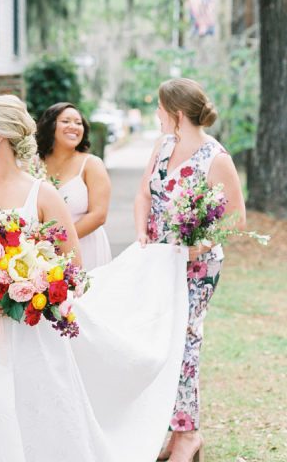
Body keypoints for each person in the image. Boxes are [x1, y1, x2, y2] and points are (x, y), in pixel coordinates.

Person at [0, 95, 192, 462]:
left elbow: (72, 264)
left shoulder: (42, 193)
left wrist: (29, 289)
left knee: (31, 411)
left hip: (28, 328)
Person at [134, 78, 246, 462]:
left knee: (185, 342)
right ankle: (172, 428)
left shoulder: (216, 158)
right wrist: (141, 231)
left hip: (197, 267)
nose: (157, 115)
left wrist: (196, 246)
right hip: (156, 261)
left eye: (160, 109)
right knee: (159, 343)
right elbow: (144, 193)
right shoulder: (162, 146)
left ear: (176, 113)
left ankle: (187, 434)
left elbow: (236, 219)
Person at [37, 102, 112, 271]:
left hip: (85, 247)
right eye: (66, 121)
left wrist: (57, 242)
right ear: (50, 126)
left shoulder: (91, 164)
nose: (73, 127)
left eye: (78, 123)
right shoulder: (34, 164)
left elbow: (98, 215)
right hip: (42, 254)